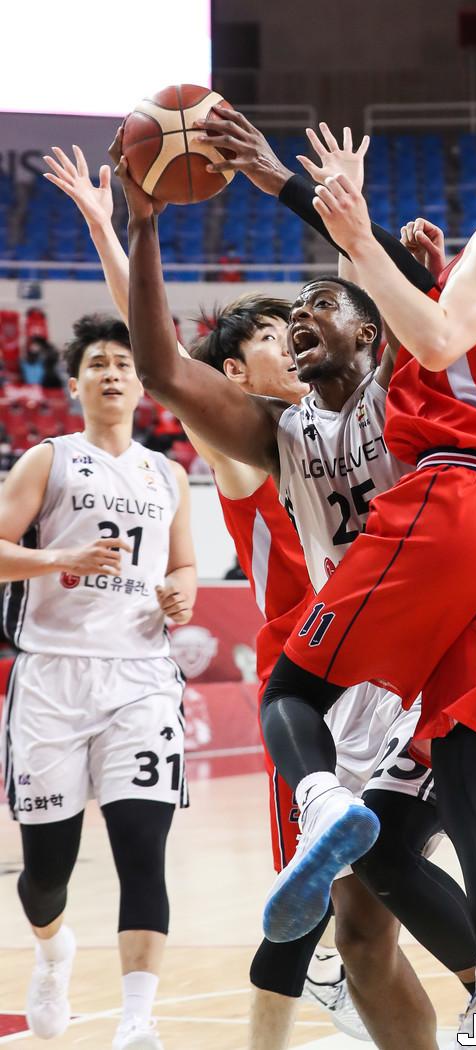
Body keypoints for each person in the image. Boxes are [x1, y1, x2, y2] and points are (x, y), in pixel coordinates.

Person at [198, 53, 476, 1043]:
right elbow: (465, 327)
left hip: (460, 500)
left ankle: (321, 804)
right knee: (460, 787)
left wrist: (344, 225)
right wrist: (397, 259)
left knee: (290, 695)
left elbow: (439, 341)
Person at [47, 142, 476, 1050]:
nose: (292, 334)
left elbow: (405, 332)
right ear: (238, 375)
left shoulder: (384, 397)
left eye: (303, 323)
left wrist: (389, 256)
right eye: (276, 334)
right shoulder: (260, 443)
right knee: (343, 929)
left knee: (359, 897)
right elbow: (165, 361)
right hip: (319, 690)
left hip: (424, 660)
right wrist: (126, 227)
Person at [0, 314, 196, 1050]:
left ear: (143, 385)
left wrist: (182, 595)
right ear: (76, 383)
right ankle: (53, 951)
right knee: (46, 872)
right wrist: (59, 558)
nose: (112, 374)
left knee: (142, 849)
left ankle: (137, 1020)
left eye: (124, 363)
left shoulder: (168, 473)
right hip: (53, 677)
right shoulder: (48, 460)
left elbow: (182, 563)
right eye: (98, 364)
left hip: (142, 678)